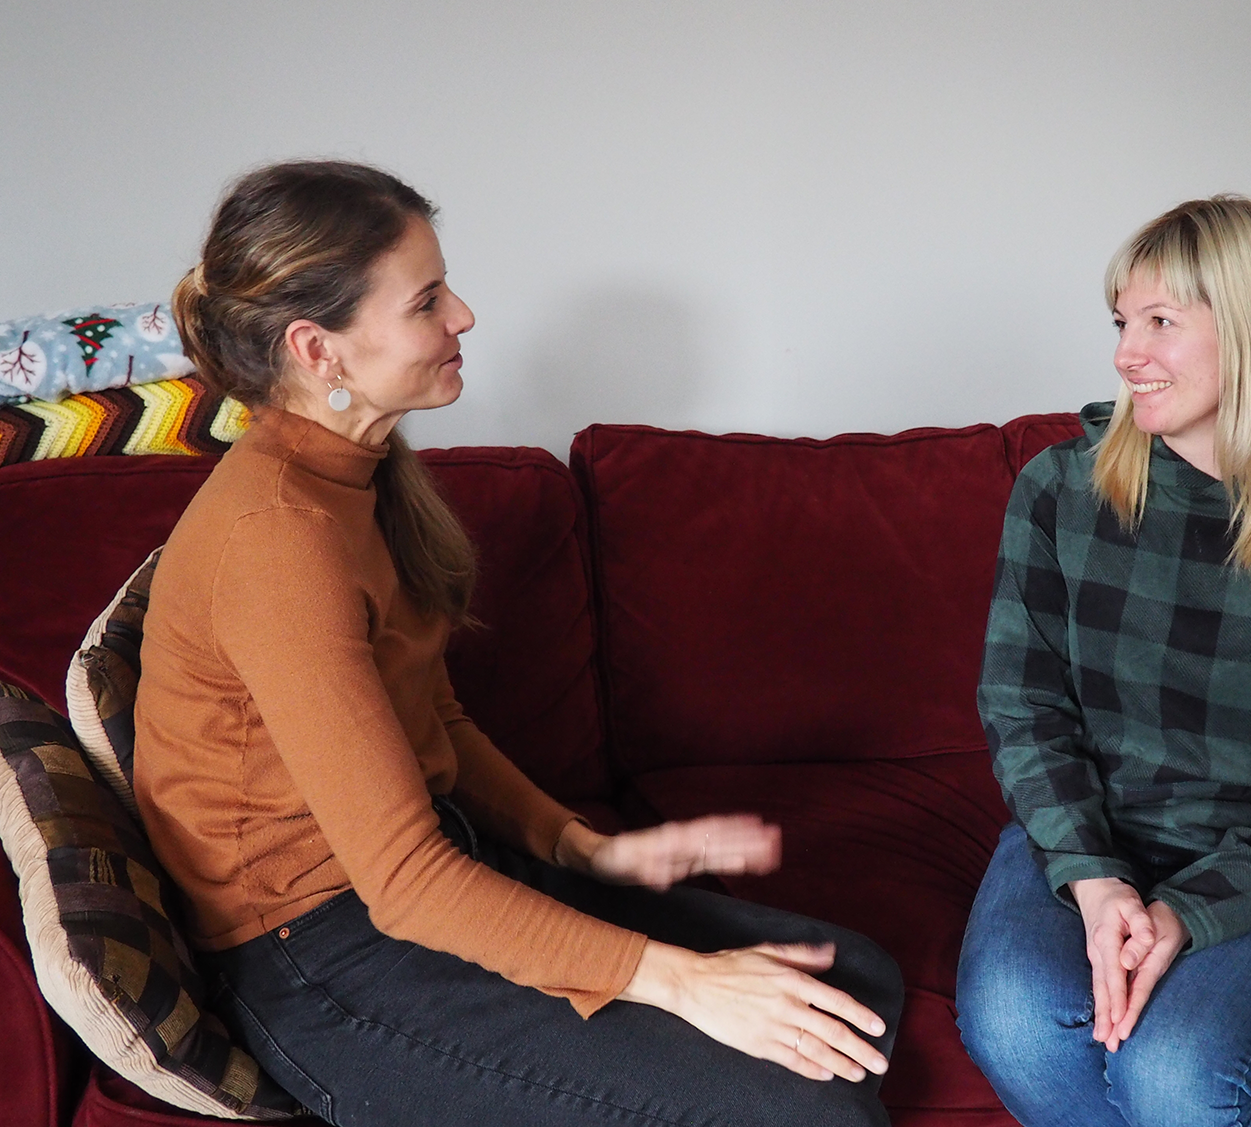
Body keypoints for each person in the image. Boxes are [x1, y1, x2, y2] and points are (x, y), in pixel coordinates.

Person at [135, 160, 901, 1127]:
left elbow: (435, 719)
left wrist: (582, 850)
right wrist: (684, 983)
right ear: (317, 349)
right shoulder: (277, 539)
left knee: (855, 984)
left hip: (429, 883)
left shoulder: (364, 477)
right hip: (319, 958)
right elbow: (408, 886)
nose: (463, 314)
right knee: (811, 1104)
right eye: (426, 300)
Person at [955, 195, 1251, 1127]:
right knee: (1018, 1021)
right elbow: (1023, 703)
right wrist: (1096, 877)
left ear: (1250, 331)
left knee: (1175, 1077)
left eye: (1161, 321)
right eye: (1123, 322)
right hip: (1083, 837)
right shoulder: (1058, 491)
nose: (1127, 353)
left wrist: (1188, 913)